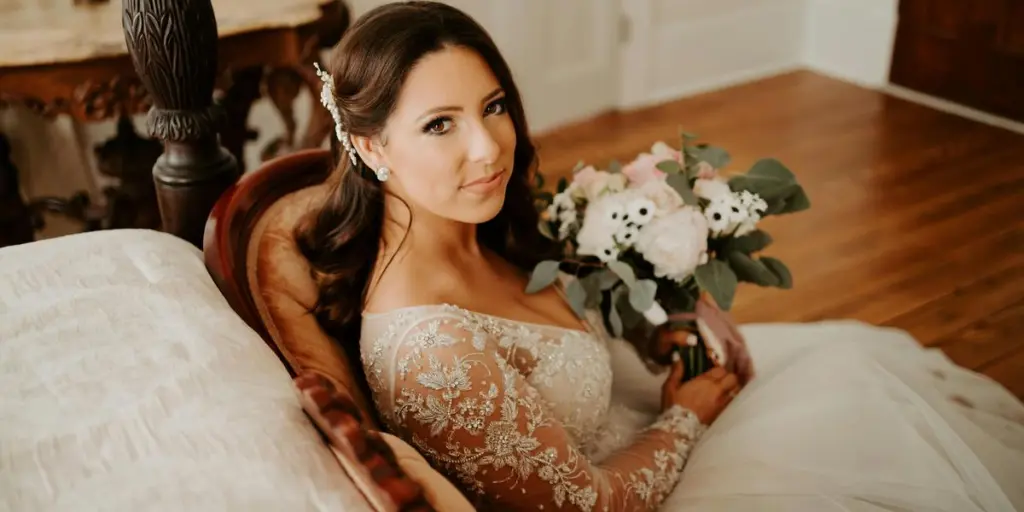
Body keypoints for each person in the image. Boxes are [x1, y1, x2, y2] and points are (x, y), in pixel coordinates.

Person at [297, 2, 1024, 511]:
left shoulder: (473, 223)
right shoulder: (431, 352)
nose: (489, 147)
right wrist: (687, 415)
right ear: (369, 145)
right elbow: (587, 503)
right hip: (651, 480)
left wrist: (649, 332)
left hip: (642, 405)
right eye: (439, 124)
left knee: (866, 377)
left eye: (493, 106)